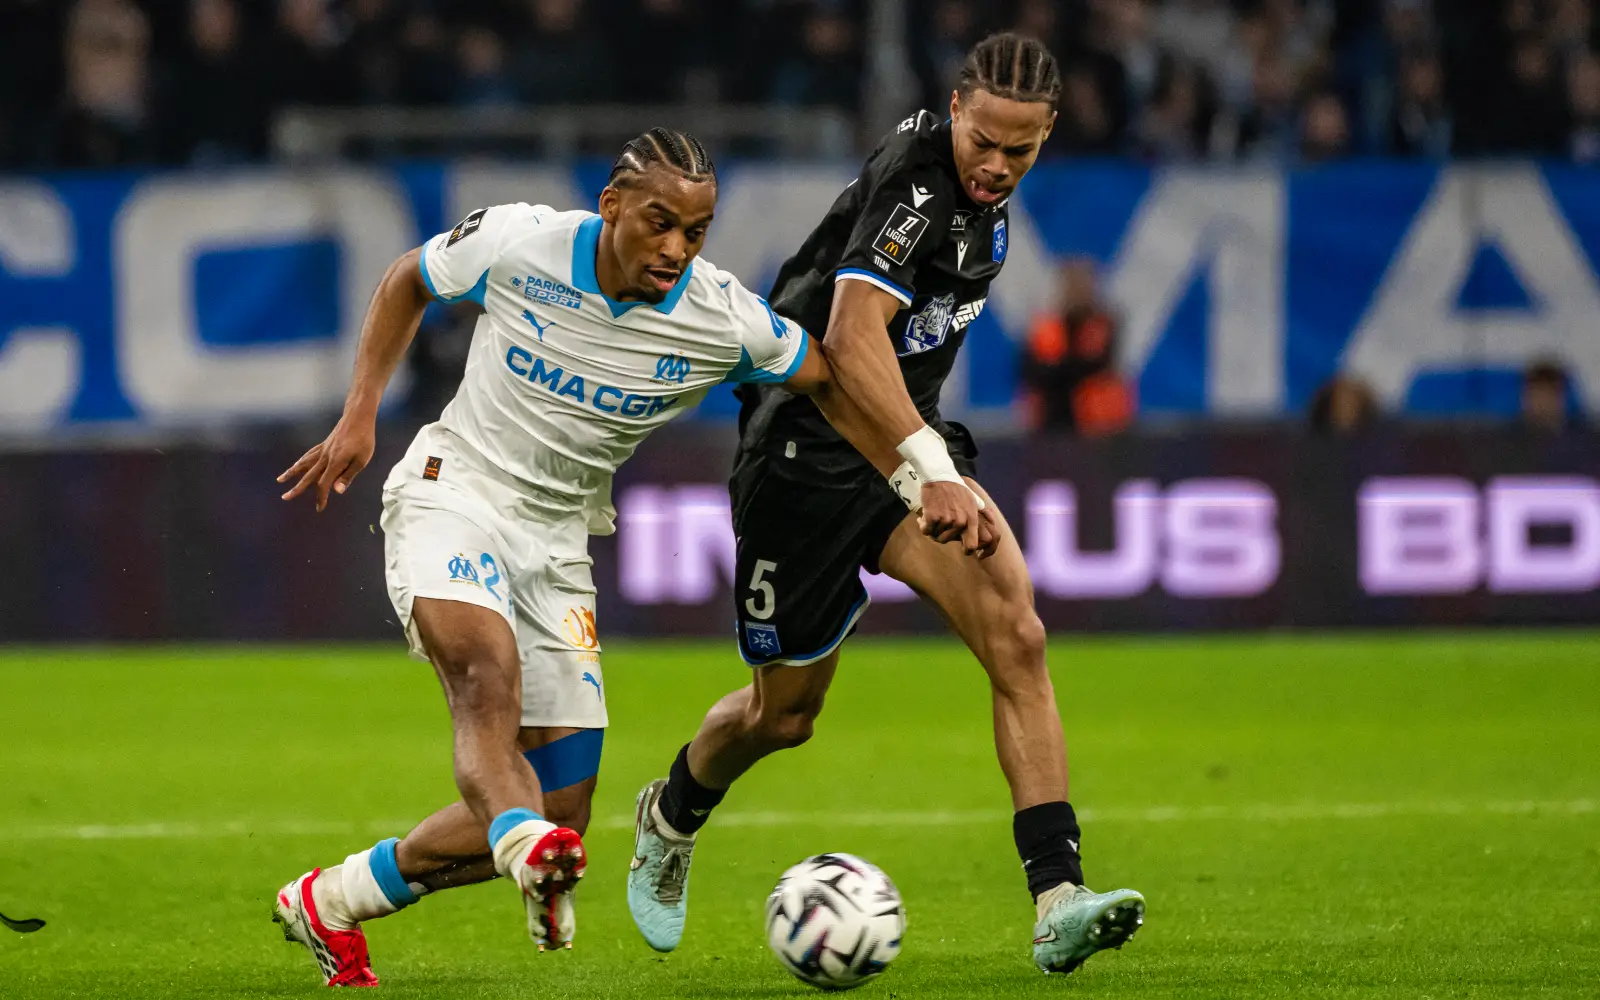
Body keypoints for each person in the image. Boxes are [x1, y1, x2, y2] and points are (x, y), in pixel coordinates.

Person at [269, 129, 871, 986]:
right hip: (454, 493)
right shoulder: (520, 241)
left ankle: (333, 898)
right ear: (611, 205)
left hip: (557, 544)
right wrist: (361, 412)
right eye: (659, 223)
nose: (676, 249)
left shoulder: (722, 316)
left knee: (563, 810)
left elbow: (834, 374)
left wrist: (922, 469)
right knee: (486, 679)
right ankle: (526, 851)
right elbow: (409, 278)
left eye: (696, 232)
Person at [626, 33, 1147, 977]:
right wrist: (929, 468)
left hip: (904, 446)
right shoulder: (918, 185)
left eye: (1020, 149)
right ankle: (670, 815)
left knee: (1017, 635)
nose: (996, 165)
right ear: (954, 111)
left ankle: (1058, 897)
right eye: (983, 141)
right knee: (783, 717)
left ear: (1046, 136)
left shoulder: (983, 197)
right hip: (804, 452)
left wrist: (919, 462)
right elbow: (851, 335)